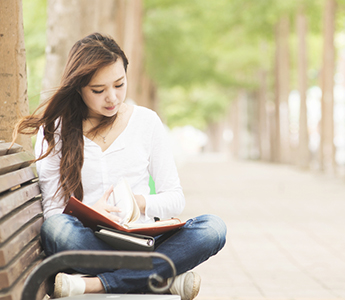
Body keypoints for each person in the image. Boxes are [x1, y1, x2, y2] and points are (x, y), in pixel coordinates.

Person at [12, 33, 226, 300]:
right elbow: (55, 215)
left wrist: (140, 204)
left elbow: (175, 198)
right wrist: (90, 212)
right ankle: (156, 279)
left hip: (142, 243)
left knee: (213, 229)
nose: (112, 98)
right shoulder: (55, 130)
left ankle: (96, 284)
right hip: (88, 242)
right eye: (98, 90)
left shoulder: (146, 122)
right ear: (78, 87)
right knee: (56, 230)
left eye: (119, 84)